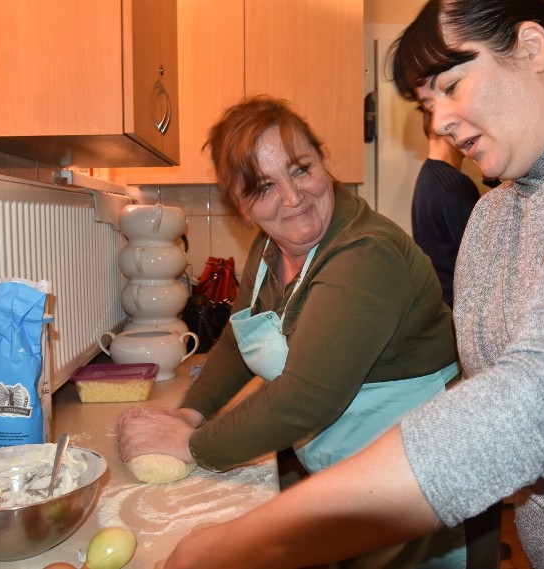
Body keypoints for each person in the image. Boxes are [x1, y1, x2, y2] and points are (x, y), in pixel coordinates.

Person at [150, 1, 544, 568]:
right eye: (427, 105)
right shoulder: (499, 212)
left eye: (451, 84)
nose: (440, 122)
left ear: (532, 45)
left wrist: (246, 540)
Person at [119, 95, 474, 567]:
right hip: (345, 477)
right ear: (242, 209)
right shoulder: (270, 251)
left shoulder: (365, 254)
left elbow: (307, 398)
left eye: (301, 169)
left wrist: (193, 445)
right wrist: (190, 413)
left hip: (413, 485)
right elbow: (235, 340)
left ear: (324, 164)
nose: (292, 197)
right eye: (263, 187)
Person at [411, 109, 481, 307]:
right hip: (460, 311)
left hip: (441, 307)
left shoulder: (427, 175)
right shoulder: (455, 188)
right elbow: (484, 263)